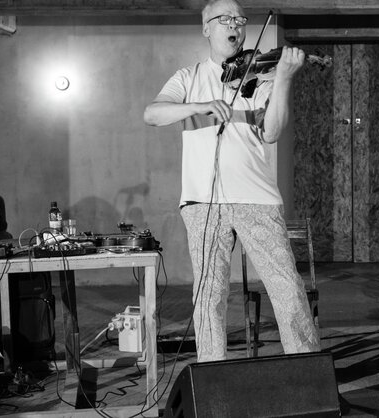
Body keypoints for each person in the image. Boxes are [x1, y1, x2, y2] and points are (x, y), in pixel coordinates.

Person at [144, 0, 320, 362]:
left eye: (240, 20)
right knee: (208, 294)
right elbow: (152, 114)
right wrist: (198, 106)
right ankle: (212, 374)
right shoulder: (188, 77)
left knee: (287, 288)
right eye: (224, 19)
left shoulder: (262, 78)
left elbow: (272, 132)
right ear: (206, 27)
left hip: (257, 198)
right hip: (201, 203)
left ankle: (306, 369)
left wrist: (284, 78)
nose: (235, 26)